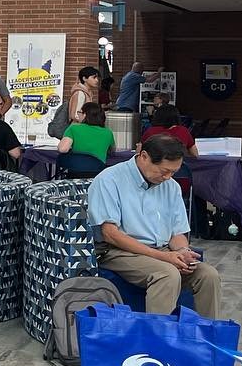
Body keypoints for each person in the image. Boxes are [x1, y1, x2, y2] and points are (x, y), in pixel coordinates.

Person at [88, 134, 221, 317]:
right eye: (164, 171)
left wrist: (182, 250)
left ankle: (208, 337)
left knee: (208, 275)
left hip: (162, 249)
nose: (167, 177)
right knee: (167, 274)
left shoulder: (171, 186)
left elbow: (177, 232)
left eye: (173, 172)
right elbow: (110, 234)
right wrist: (163, 257)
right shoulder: (109, 180)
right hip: (119, 251)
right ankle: (158, 341)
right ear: (144, 156)